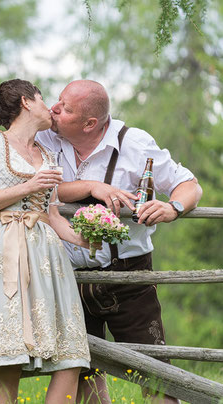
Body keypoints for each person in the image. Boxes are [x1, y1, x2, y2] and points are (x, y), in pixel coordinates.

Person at [36, 79, 203, 404]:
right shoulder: (44, 137)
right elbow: (31, 184)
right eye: (58, 101)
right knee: (83, 372)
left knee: (156, 375)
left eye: (65, 108)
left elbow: (189, 184)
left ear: (90, 124)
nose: (54, 109)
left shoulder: (135, 144)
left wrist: (173, 207)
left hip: (128, 277)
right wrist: (90, 186)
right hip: (66, 275)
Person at [0, 79, 91, 404]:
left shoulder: (47, 153)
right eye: (42, 99)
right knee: (8, 356)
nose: (49, 107)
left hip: (47, 256)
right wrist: (28, 186)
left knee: (71, 355)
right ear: (26, 102)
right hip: (4, 250)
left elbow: (52, 216)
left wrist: (86, 239)